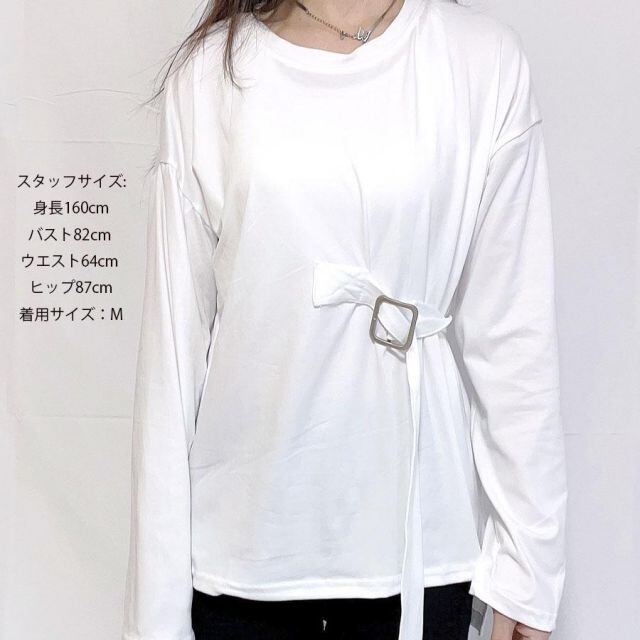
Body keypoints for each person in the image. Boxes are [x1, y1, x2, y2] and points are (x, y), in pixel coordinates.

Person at [122, 1, 568, 639]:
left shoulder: (479, 60)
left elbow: (514, 339)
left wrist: (529, 574)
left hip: (420, 555)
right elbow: (170, 361)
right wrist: (154, 618)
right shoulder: (212, 74)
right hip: (242, 567)